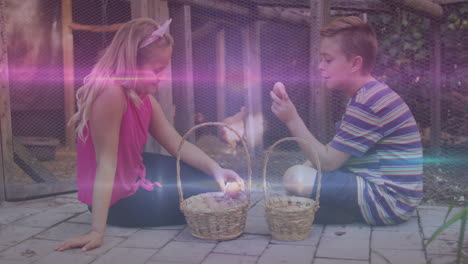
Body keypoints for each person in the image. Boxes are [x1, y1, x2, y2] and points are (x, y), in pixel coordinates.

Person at [55, 18, 245, 252]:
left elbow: (176, 143)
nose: (163, 76)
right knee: (206, 198)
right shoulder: (110, 94)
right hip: (118, 200)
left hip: (137, 172)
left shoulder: (146, 100)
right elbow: (106, 163)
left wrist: (217, 168)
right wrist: (97, 231)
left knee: (208, 179)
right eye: (157, 69)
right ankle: (114, 215)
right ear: (131, 63)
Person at [271, 16, 423, 225]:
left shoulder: (369, 102)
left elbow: (329, 162)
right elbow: (334, 153)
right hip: (389, 196)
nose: (320, 66)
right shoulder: (368, 95)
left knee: (295, 177)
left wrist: (291, 118)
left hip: (389, 202)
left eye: (328, 60)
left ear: (355, 63)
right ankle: (337, 212)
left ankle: (337, 211)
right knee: (306, 168)